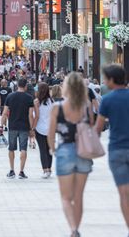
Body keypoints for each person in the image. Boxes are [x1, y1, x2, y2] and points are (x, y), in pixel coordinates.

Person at [48, 72, 94, 237]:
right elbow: (91, 127)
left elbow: (51, 134)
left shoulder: (57, 107)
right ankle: (76, 228)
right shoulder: (87, 105)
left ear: (66, 87)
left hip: (65, 150)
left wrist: (52, 149)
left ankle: (73, 229)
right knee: (79, 196)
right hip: (83, 151)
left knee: (66, 197)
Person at [96, 65, 129, 233]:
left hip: (117, 149)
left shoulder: (107, 100)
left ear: (111, 80)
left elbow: (98, 128)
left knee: (124, 193)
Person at [0, 78, 34, 179]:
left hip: (12, 126)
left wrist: (1, 126)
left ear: (17, 85)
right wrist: (31, 128)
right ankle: (21, 172)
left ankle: (11, 170)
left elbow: (5, 113)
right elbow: (30, 115)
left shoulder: (10, 96)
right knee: (23, 149)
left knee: (11, 148)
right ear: (26, 86)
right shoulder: (29, 98)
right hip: (24, 126)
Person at [33, 82, 53, 178]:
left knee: (42, 150)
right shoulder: (52, 101)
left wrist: (32, 127)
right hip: (50, 129)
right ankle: (49, 168)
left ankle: (45, 169)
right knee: (49, 149)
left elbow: (36, 116)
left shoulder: (37, 102)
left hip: (40, 128)